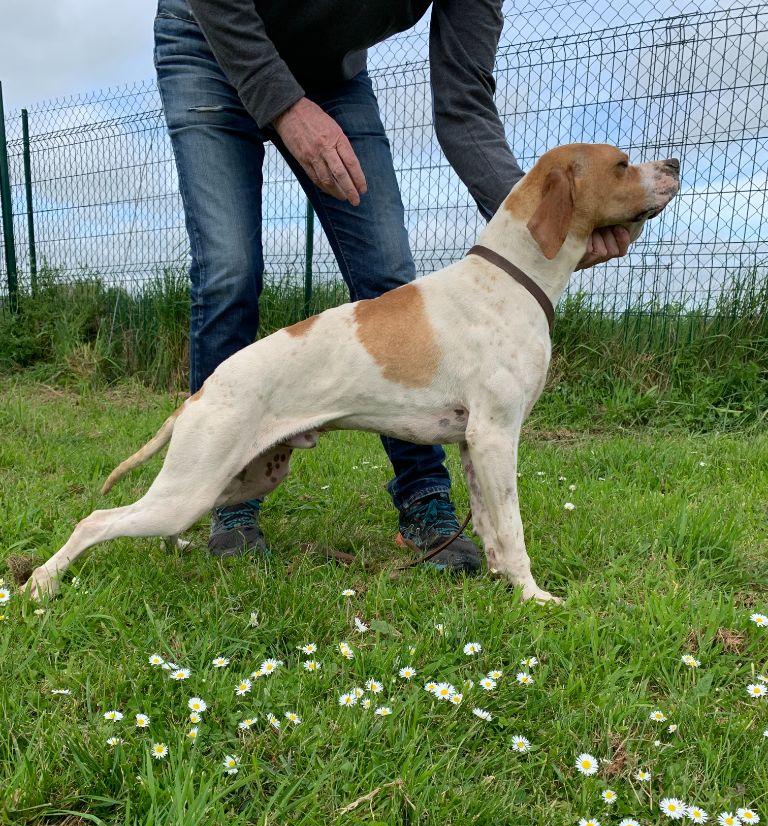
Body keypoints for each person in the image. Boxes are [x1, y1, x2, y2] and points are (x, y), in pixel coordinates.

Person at [154, 0, 628, 569]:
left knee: (385, 268)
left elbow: (465, 105)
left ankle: (424, 499)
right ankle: (230, 494)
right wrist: (284, 105)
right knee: (230, 270)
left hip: (331, 75)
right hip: (210, 39)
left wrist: (549, 227)